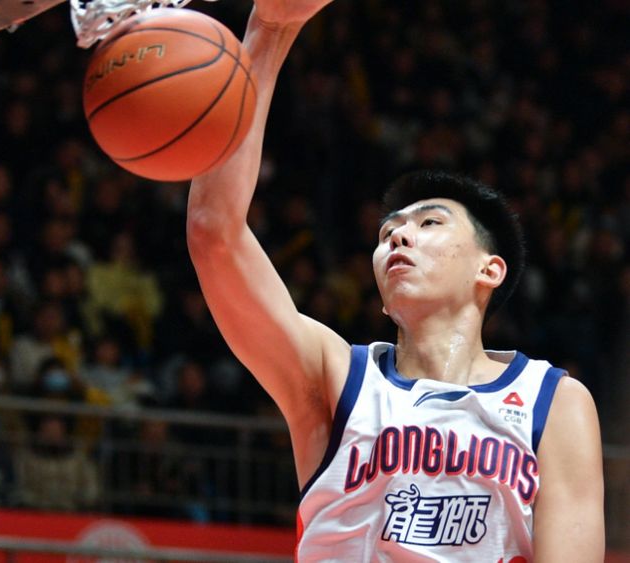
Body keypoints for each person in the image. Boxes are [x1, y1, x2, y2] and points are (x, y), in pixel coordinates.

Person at [185, 2, 605, 561]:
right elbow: (214, 231)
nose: (398, 237)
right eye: (387, 233)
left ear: (489, 269)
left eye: (429, 223)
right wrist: (271, 29)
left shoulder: (553, 402)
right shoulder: (338, 379)